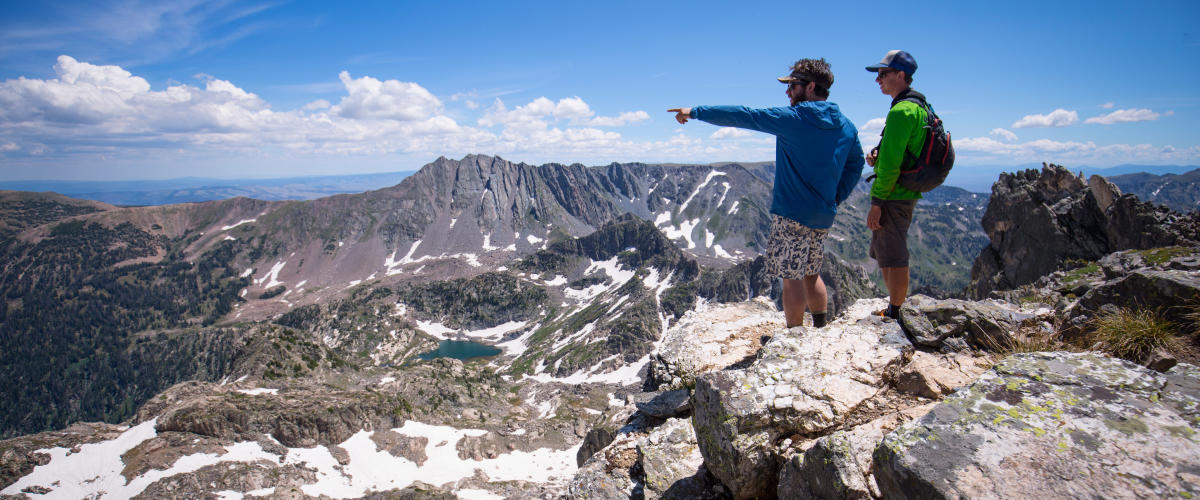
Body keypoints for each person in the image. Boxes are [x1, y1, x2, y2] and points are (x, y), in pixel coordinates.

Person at [669, 58, 864, 329]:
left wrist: (694, 112)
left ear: (809, 87)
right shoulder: (846, 126)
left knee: (791, 277)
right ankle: (820, 327)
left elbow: (744, 114)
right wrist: (837, 196)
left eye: (793, 85)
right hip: (823, 215)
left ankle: (794, 336)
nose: (788, 92)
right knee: (811, 272)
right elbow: (857, 163)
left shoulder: (794, 119)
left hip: (792, 213)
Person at [864, 50, 924, 320]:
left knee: (894, 254)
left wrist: (877, 203)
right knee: (888, 253)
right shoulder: (918, 106)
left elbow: (890, 167)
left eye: (883, 74)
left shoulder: (901, 111)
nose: (878, 80)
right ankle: (894, 307)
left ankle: (896, 312)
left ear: (901, 75)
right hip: (903, 191)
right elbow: (897, 153)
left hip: (893, 194)